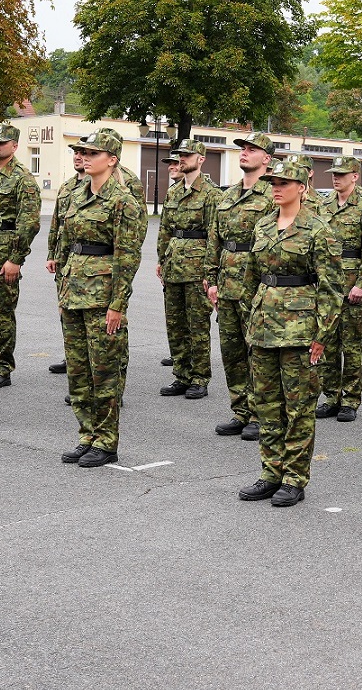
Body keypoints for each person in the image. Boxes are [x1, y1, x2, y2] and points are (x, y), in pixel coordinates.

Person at [237, 158, 342, 506]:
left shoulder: (319, 229)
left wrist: (322, 335)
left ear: (301, 187)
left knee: (298, 408)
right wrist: (249, 318)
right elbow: (251, 277)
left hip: (300, 331)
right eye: (273, 183)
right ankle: (270, 472)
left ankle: (294, 478)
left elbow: (331, 288)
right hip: (263, 328)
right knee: (267, 406)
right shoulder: (264, 225)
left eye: (284, 183)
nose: (277, 188)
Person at [51, 130, 146, 467]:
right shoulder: (76, 195)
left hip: (102, 297)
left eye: (93, 153)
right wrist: (62, 290)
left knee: (103, 373)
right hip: (73, 292)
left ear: (112, 159)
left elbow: (127, 257)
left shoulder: (123, 201)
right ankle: (86, 435)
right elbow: (66, 245)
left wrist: (117, 305)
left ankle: (106, 441)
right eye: (84, 152)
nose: (86, 158)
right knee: (78, 372)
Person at [206, 131, 275, 439]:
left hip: (256, 285)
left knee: (258, 353)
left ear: (267, 159)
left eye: (252, 149)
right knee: (232, 352)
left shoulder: (272, 194)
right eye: (243, 148)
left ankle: (262, 414)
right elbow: (215, 238)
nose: (244, 152)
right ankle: (241, 410)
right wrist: (211, 279)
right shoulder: (228, 195)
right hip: (227, 285)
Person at [316, 155, 362, 422]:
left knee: (351, 345)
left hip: (352, 282)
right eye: (334, 174)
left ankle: (350, 399)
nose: (336, 178)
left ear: (355, 176)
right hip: (328, 283)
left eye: (341, 174)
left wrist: (361, 285)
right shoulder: (324, 204)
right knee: (327, 342)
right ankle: (331, 396)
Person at [156, 139, 219, 399]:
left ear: (201, 159)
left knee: (197, 326)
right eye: (180, 155)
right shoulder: (173, 192)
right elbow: (165, 229)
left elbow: (215, 235)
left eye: (187, 155)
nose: (182, 159)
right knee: (175, 324)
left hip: (197, 268)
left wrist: (210, 273)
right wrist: (161, 259)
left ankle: (200, 378)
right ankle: (181, 375)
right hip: (174, 266)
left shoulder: (211, 194)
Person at [0, 123, 42, 390]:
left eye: (1, 143)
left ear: (14, 146)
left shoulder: (22, 179)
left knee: (0, 313)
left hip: (4, 251)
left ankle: (1, 367)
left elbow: (29, 223)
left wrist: (16, 258)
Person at [46, 150, 87, 375]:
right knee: (66, 309)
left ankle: (90, 360)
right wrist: (51, 253)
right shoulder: (67, 186)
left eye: (83, 153)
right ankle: (72, 355)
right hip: (64, 258)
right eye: (75, 153)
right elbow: (56, 222)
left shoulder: (96, 186)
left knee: (87, 312)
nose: (78, 157)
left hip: (86, 259)